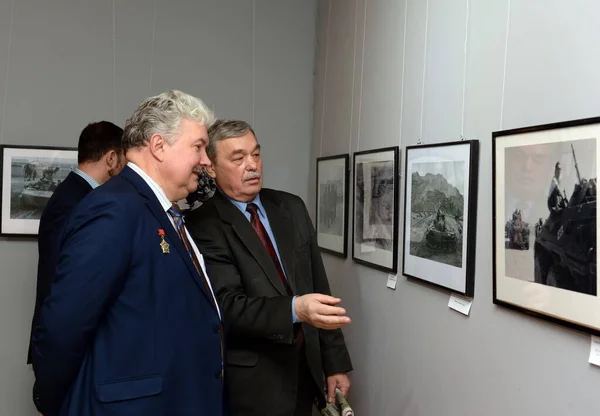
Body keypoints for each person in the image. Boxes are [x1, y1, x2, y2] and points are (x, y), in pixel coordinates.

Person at [31, 90, 225, 416]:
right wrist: (56, 404)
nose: (206, 160)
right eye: (199, 147)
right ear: (159, 146)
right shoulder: (114, 208)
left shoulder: (160, 211)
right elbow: (64, 326)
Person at [186, 119, 353, 416]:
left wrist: (335, 363)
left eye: (256, 154)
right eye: (238, 158)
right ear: (210, 167)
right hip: (254, 382)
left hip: (306, 371)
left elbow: (319, 287)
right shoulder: (203, 225)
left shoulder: (291, 208)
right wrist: (295, 309)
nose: (252, 165)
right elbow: (228, 306)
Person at [27, 120, 126, 366]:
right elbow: (59, 280)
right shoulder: (75, 202)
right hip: (65, 346)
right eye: (124, 161)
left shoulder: (76, 195)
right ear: (112, 159)